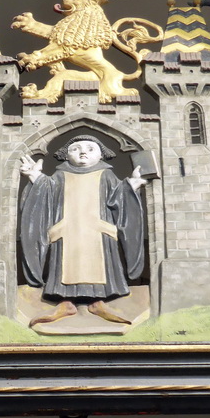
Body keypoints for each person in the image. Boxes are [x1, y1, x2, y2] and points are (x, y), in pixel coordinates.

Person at [19, 135, 146, 327]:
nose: (83, 152)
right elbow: (47, 194)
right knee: (65, 264)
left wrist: (131, 186)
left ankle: (98, 303)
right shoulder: (60, 176)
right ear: (66, 155)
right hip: (68, 230)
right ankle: (65, 304)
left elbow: (118, 198)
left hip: (98, 231)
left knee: (99, 263)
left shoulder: (107, 175)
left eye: (90, 148)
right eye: (75, 148)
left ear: (101, 154)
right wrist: (34, 177)